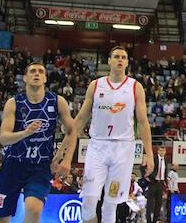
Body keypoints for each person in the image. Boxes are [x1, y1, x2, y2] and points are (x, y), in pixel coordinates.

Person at [64, 47, 154, 223]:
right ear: (109, 61)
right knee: (88, 199)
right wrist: (65, 150)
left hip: (123, 148)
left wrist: (149, 153)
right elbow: (80, 119)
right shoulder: (96, 85)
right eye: (116, 57)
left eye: (123, 57)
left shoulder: (135, 87)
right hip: (97, 146)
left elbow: (143, 122)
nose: (120, 60)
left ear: (127, 62)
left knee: (110, 203)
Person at [0, 61, 76, 223]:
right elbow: (4, 138)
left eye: (41, 71)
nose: (37, 74)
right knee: (0, 219)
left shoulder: (57, 101)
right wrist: (26, 132)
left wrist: (66, 158)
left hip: (40, 166)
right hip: (12, 165)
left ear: (45, 78)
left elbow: (73, 130)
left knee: (33, 209)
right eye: (33, 71)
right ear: (25, 78)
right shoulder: (13, 103)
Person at [146, 147, 168, 223]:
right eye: (160, 150)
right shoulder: (154, 158)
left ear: (165, 152)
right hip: (153, 182)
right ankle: (148, 220)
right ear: (158, 151)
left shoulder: (166, 159)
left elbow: (165, 171)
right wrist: (146, 176)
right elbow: (143, 167)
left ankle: (155, 220)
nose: (162, 152)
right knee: (150, 203)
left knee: (159, 203)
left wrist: (165, 181)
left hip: (161, 183)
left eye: (163, 150)